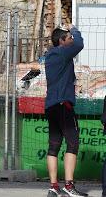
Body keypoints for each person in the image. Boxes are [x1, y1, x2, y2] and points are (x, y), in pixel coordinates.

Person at [45, 24, 86, 197]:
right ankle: (69, 186)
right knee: (73, 143)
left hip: (51, 106)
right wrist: (74, 29)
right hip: (63, 106)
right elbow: (80, 45)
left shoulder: (49, 56)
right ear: (62, 41)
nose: (71, 39)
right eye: (69, 37)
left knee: (54, 146)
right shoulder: (63, 52)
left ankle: (54, 186)